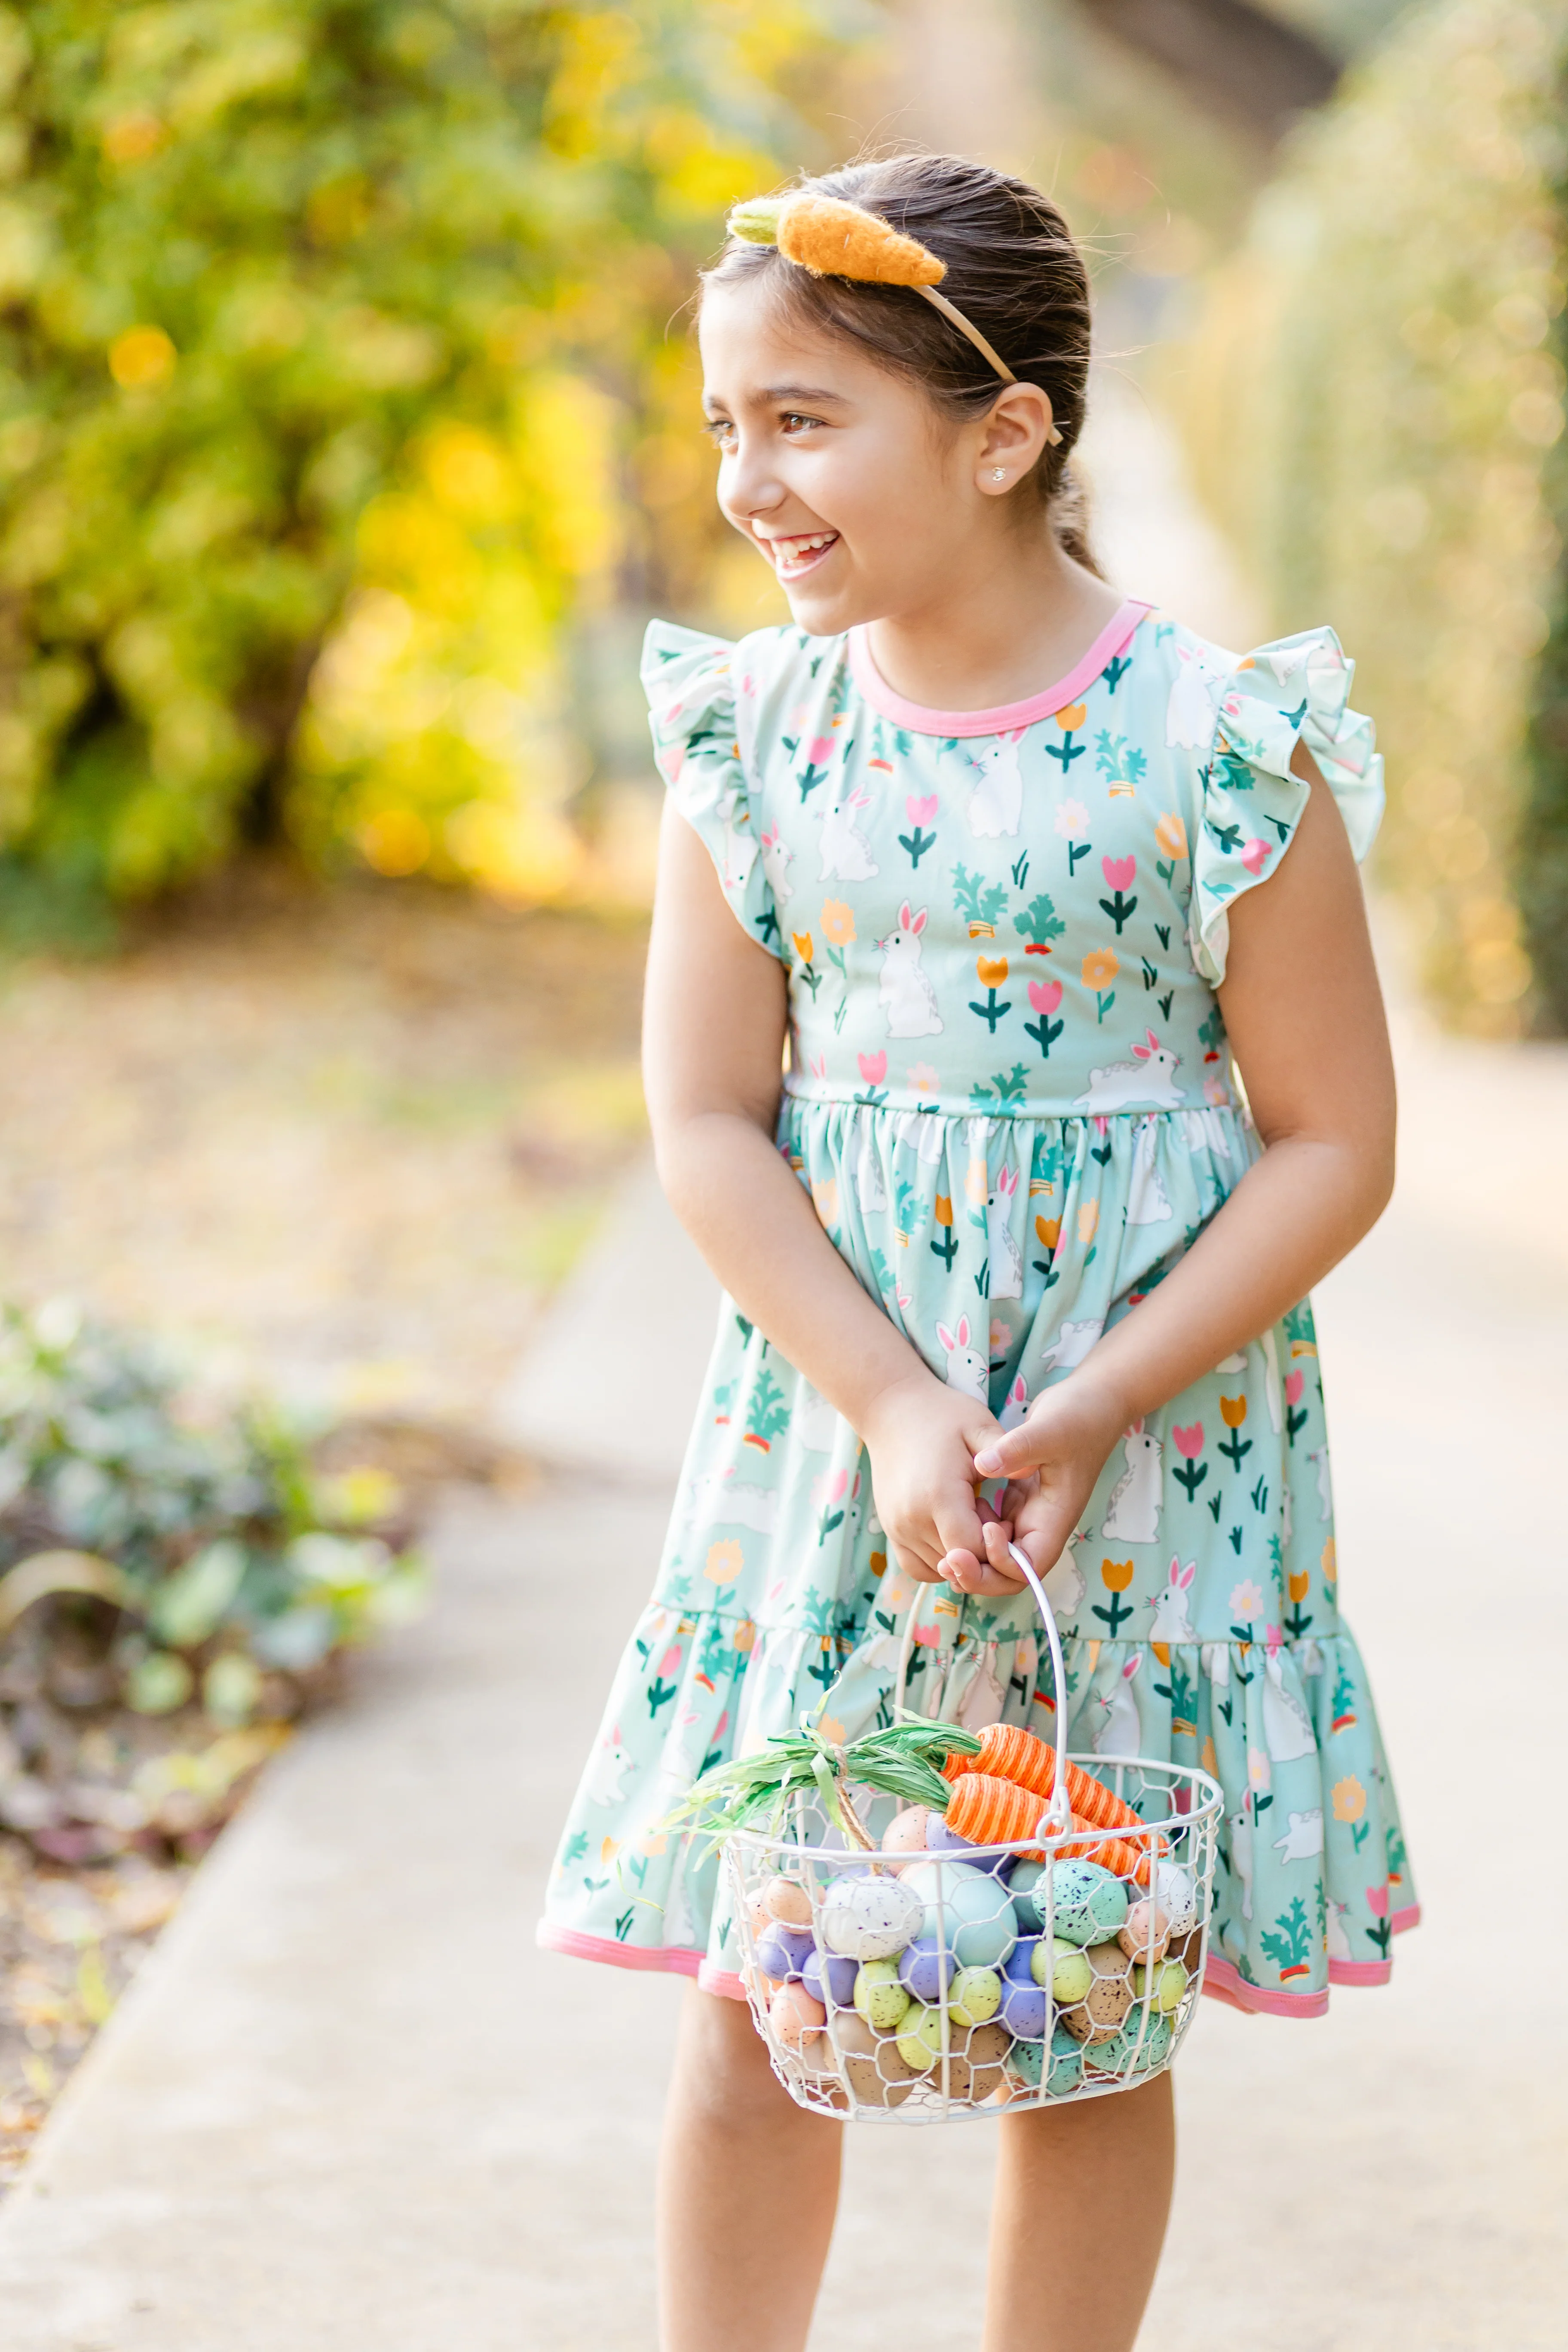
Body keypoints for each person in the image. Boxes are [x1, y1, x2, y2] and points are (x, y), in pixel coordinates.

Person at [538, 153, 1416, 2352]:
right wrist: (895, 1401)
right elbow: (708, 1116)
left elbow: (1332, 1140)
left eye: (803, 418)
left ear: (1004, 431)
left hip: (1138, 1456)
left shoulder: (1224, 747)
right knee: (772, 1972)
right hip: (845, 1434)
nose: (746, 476)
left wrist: (1098, 1398)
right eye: (727, 422)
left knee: (1088, 1976)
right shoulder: (757, 740)